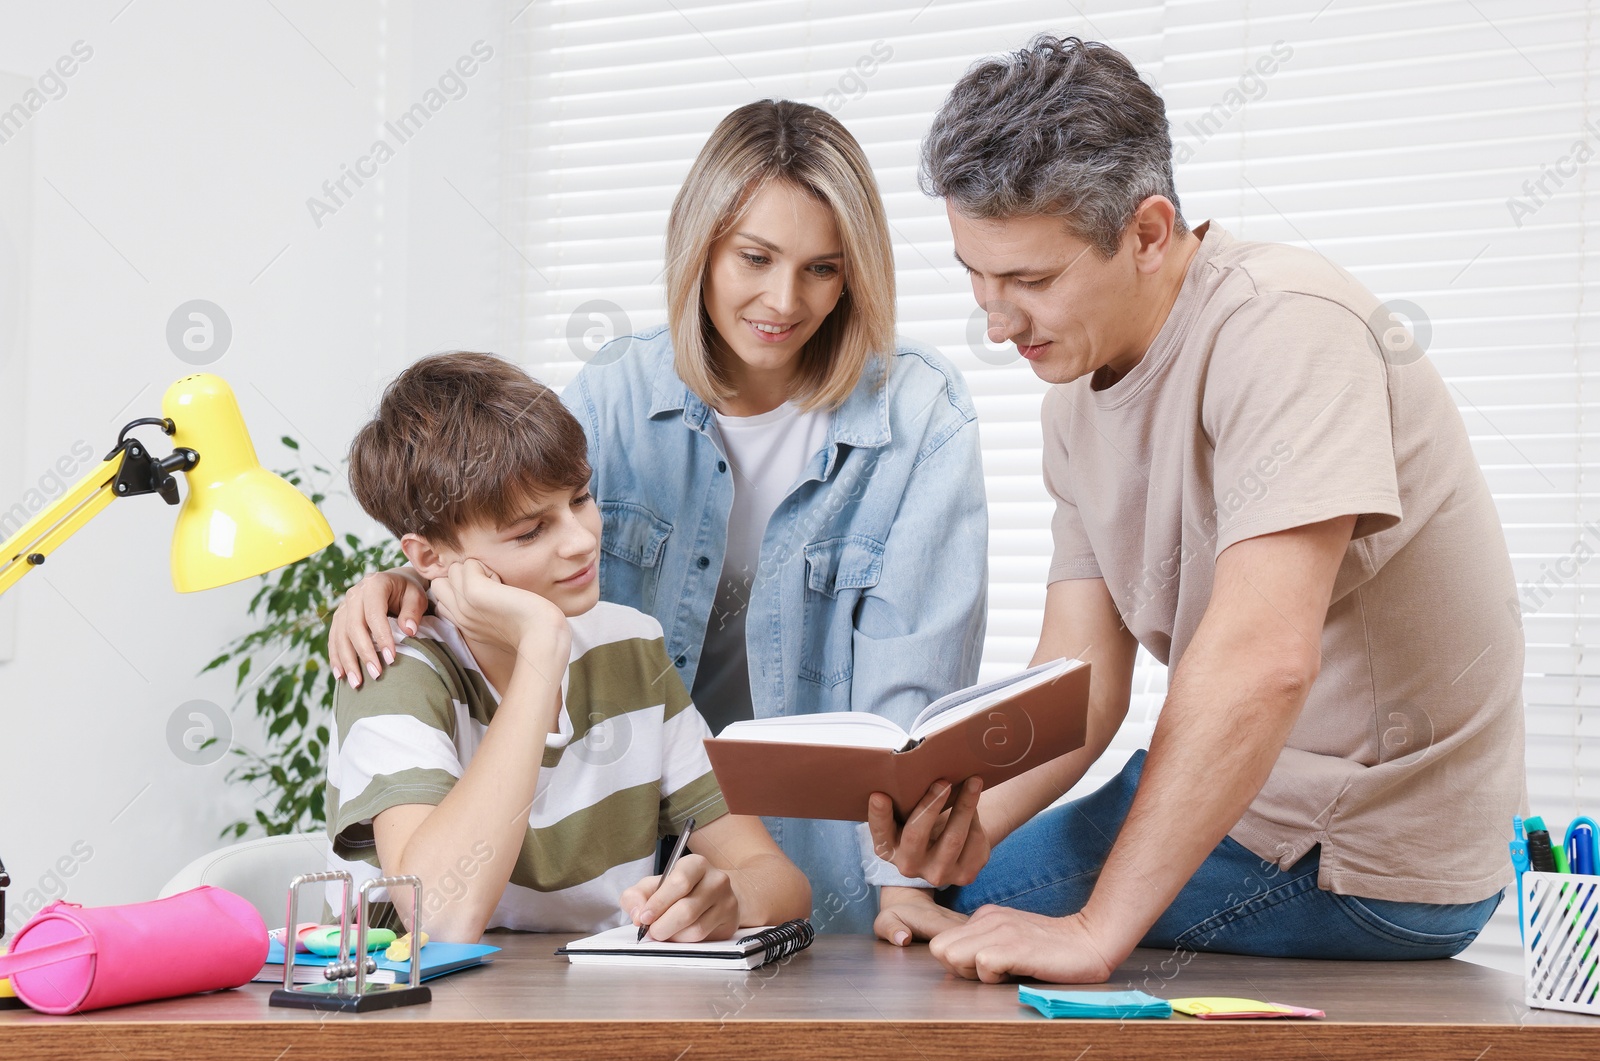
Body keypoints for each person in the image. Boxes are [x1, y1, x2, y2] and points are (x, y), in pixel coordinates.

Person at [868, 36, 1526, 983]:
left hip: (1366, 853)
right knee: (950, 895)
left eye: (1031, 280)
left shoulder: (1288, 328)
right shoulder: (1073, 402)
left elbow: (1263, 661)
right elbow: (1078, 685)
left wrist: (1097, 930)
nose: (995, 318)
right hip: (1251, 803)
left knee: (987, 912)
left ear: (1147, 232)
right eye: (977, 271)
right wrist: (956, 821)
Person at [326, 101, 989, 935]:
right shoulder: (616, 395)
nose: (785, 300)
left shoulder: (917, 416)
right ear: (700, 244)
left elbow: (911, 695)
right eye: (754, 257)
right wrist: (401, 584)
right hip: (641, 850)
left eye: (823, 268)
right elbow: (493, 506)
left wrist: (901, 886)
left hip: (802, 859)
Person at [325, 351, 810, 942]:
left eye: (580, 498)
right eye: (530, 531)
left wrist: (727, 897)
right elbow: (442, 917)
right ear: (429, 558)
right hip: (415, 1020)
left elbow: (780, 881)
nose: (582, 541)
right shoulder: (394, 666)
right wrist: (540, 650)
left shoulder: (628, 646)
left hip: (588, 1008)